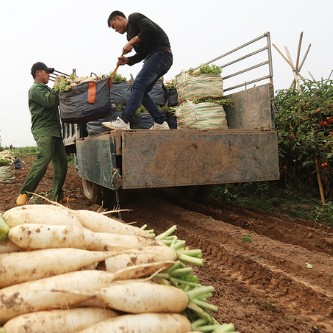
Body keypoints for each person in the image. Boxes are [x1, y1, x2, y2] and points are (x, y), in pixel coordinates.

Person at [102, 11, 173, 130]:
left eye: (114, 26)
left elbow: (150, 28)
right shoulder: (129, 35)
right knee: (142, 92)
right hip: (155, 58)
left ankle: (124, 121)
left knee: (138, 84)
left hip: (162, 54)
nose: (115, 30)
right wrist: (127, 60)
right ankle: (160, 123)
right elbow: (142, 54)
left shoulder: (134, 18)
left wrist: (131, 42)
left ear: (119, 18)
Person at [16, 62, 70, 206]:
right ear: (38, 72)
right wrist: (57, 87)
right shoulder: (35, 89)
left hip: (55, 130)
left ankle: (57, 196)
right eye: (47, 72)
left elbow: (57, 100)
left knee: (62, 163)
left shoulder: (45, 88)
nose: (49, 75)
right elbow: (51, 101)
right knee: (44, 158)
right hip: (44, 130)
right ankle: (24, 193)